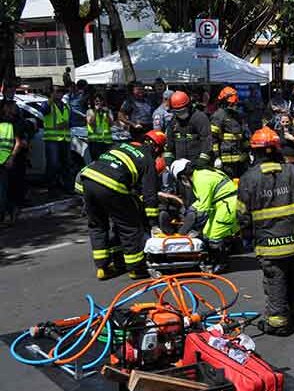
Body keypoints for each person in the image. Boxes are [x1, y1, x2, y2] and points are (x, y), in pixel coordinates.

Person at [238, 127, 294, 336]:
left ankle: (278, 323)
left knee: (275, 282)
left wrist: (247, 237)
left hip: (269, 246)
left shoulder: (248, 179)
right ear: (277, 149)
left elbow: (243, 215)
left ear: (254, 152)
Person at [77, 137, 161, 280]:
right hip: (112, 184)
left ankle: (102, 268)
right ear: (157, 149)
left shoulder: (119, 147)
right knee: (130, 227)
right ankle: (135, 269)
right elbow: (150, 194)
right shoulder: (147, 158)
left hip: (87, 180)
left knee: (97, 225)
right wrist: (153, 221)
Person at [170, 158, 239, 273]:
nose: (183, 182)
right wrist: (192, 210)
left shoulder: (201, 179)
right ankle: (218, 257)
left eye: (181, 178)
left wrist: (187, 227)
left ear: (183, 174)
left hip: (227, 206)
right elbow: (203, 201)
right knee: (207, 232)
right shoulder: (202, 174)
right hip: (223, 204)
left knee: (214, 237)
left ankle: (222, 264)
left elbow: (203, 208)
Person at [163, 90, 213, 169]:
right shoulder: (174, 121)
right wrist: (168, 159)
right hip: (179, 164)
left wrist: (203, 159)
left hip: (197, 163)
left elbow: (206, 139)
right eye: (177, 112)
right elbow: (169, 141)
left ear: (189, 106)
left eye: (183, 111)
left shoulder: (199, 118)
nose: (180, 114)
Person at [210, 86, 248, 178]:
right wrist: (216, 157)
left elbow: (244, 136)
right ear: (224, 101)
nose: (234, 104)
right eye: (231, 103)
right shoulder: (218, 116)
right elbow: (213, 138)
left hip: (240, 160)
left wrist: (248, 152)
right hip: (225, 162)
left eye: (234, 103)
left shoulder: (238, 116)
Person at [41, 85, 73, 193]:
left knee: (67, 164)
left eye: (61, 92)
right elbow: (44, 111)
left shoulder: (66, 106)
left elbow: (70, 121)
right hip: (52, 140)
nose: (59, 94)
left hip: (65, 139)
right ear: (52, 93)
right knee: (53, 164)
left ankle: (67, 187)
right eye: (57, 91)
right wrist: (50, 99)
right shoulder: (47, 104)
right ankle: (51, 188)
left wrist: (67, 124)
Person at [0, 100, 25, 223]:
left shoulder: (15, 124)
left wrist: (11, 157)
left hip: (6, 161)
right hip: (5, 160)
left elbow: (19, 142)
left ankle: (9, 213)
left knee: (4, 190)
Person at [86, 93, 114, 160]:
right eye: (97, 101)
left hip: (106, 140)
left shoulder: (107, 111)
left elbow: (111, 124)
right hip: (94, 140)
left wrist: (107, 114)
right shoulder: (90, 111)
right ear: (94, 102)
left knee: (106, 159)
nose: (99, 103)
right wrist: (95, 111)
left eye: (101, 101)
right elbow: (90, 122)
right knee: (96, 159)